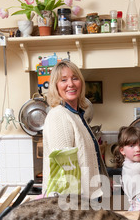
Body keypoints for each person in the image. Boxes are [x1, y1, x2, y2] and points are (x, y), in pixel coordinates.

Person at [43, 59, 107, 199]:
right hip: (75, 202)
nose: (70, 84)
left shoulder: (77, 116)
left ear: (81, 83)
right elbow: (63, 170)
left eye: (75, 78)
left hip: (89, 197)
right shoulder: (59, 115)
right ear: (56, 86)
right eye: (63, 80)